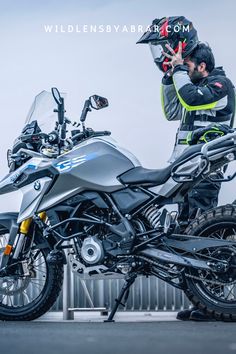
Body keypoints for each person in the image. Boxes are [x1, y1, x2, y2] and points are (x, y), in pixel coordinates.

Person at [137, 16, 235, 321]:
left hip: (205, 173)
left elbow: (191, 101)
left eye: (188, 65)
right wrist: (170, 77)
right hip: (184, 174)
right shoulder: (189, 85)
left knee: (203, 233)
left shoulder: (220, 84)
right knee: (186, 235)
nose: (183, 67)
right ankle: (201, 302)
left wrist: (179, 70)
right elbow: (172, 111)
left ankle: (214, 301)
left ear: (201, 66)